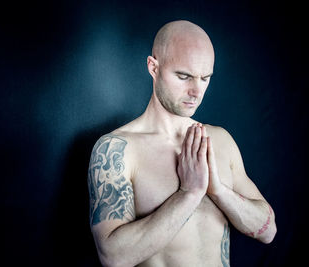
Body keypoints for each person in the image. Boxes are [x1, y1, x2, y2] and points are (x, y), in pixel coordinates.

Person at [87, 20, 276, 267]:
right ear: (153, 67)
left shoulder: (219, 140)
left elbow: (268, 231)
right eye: (184, 76)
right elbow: (112, 257)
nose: (196, 91)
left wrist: (218, 191)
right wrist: (188, 194)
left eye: (205, 78)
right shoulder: (118, 150)